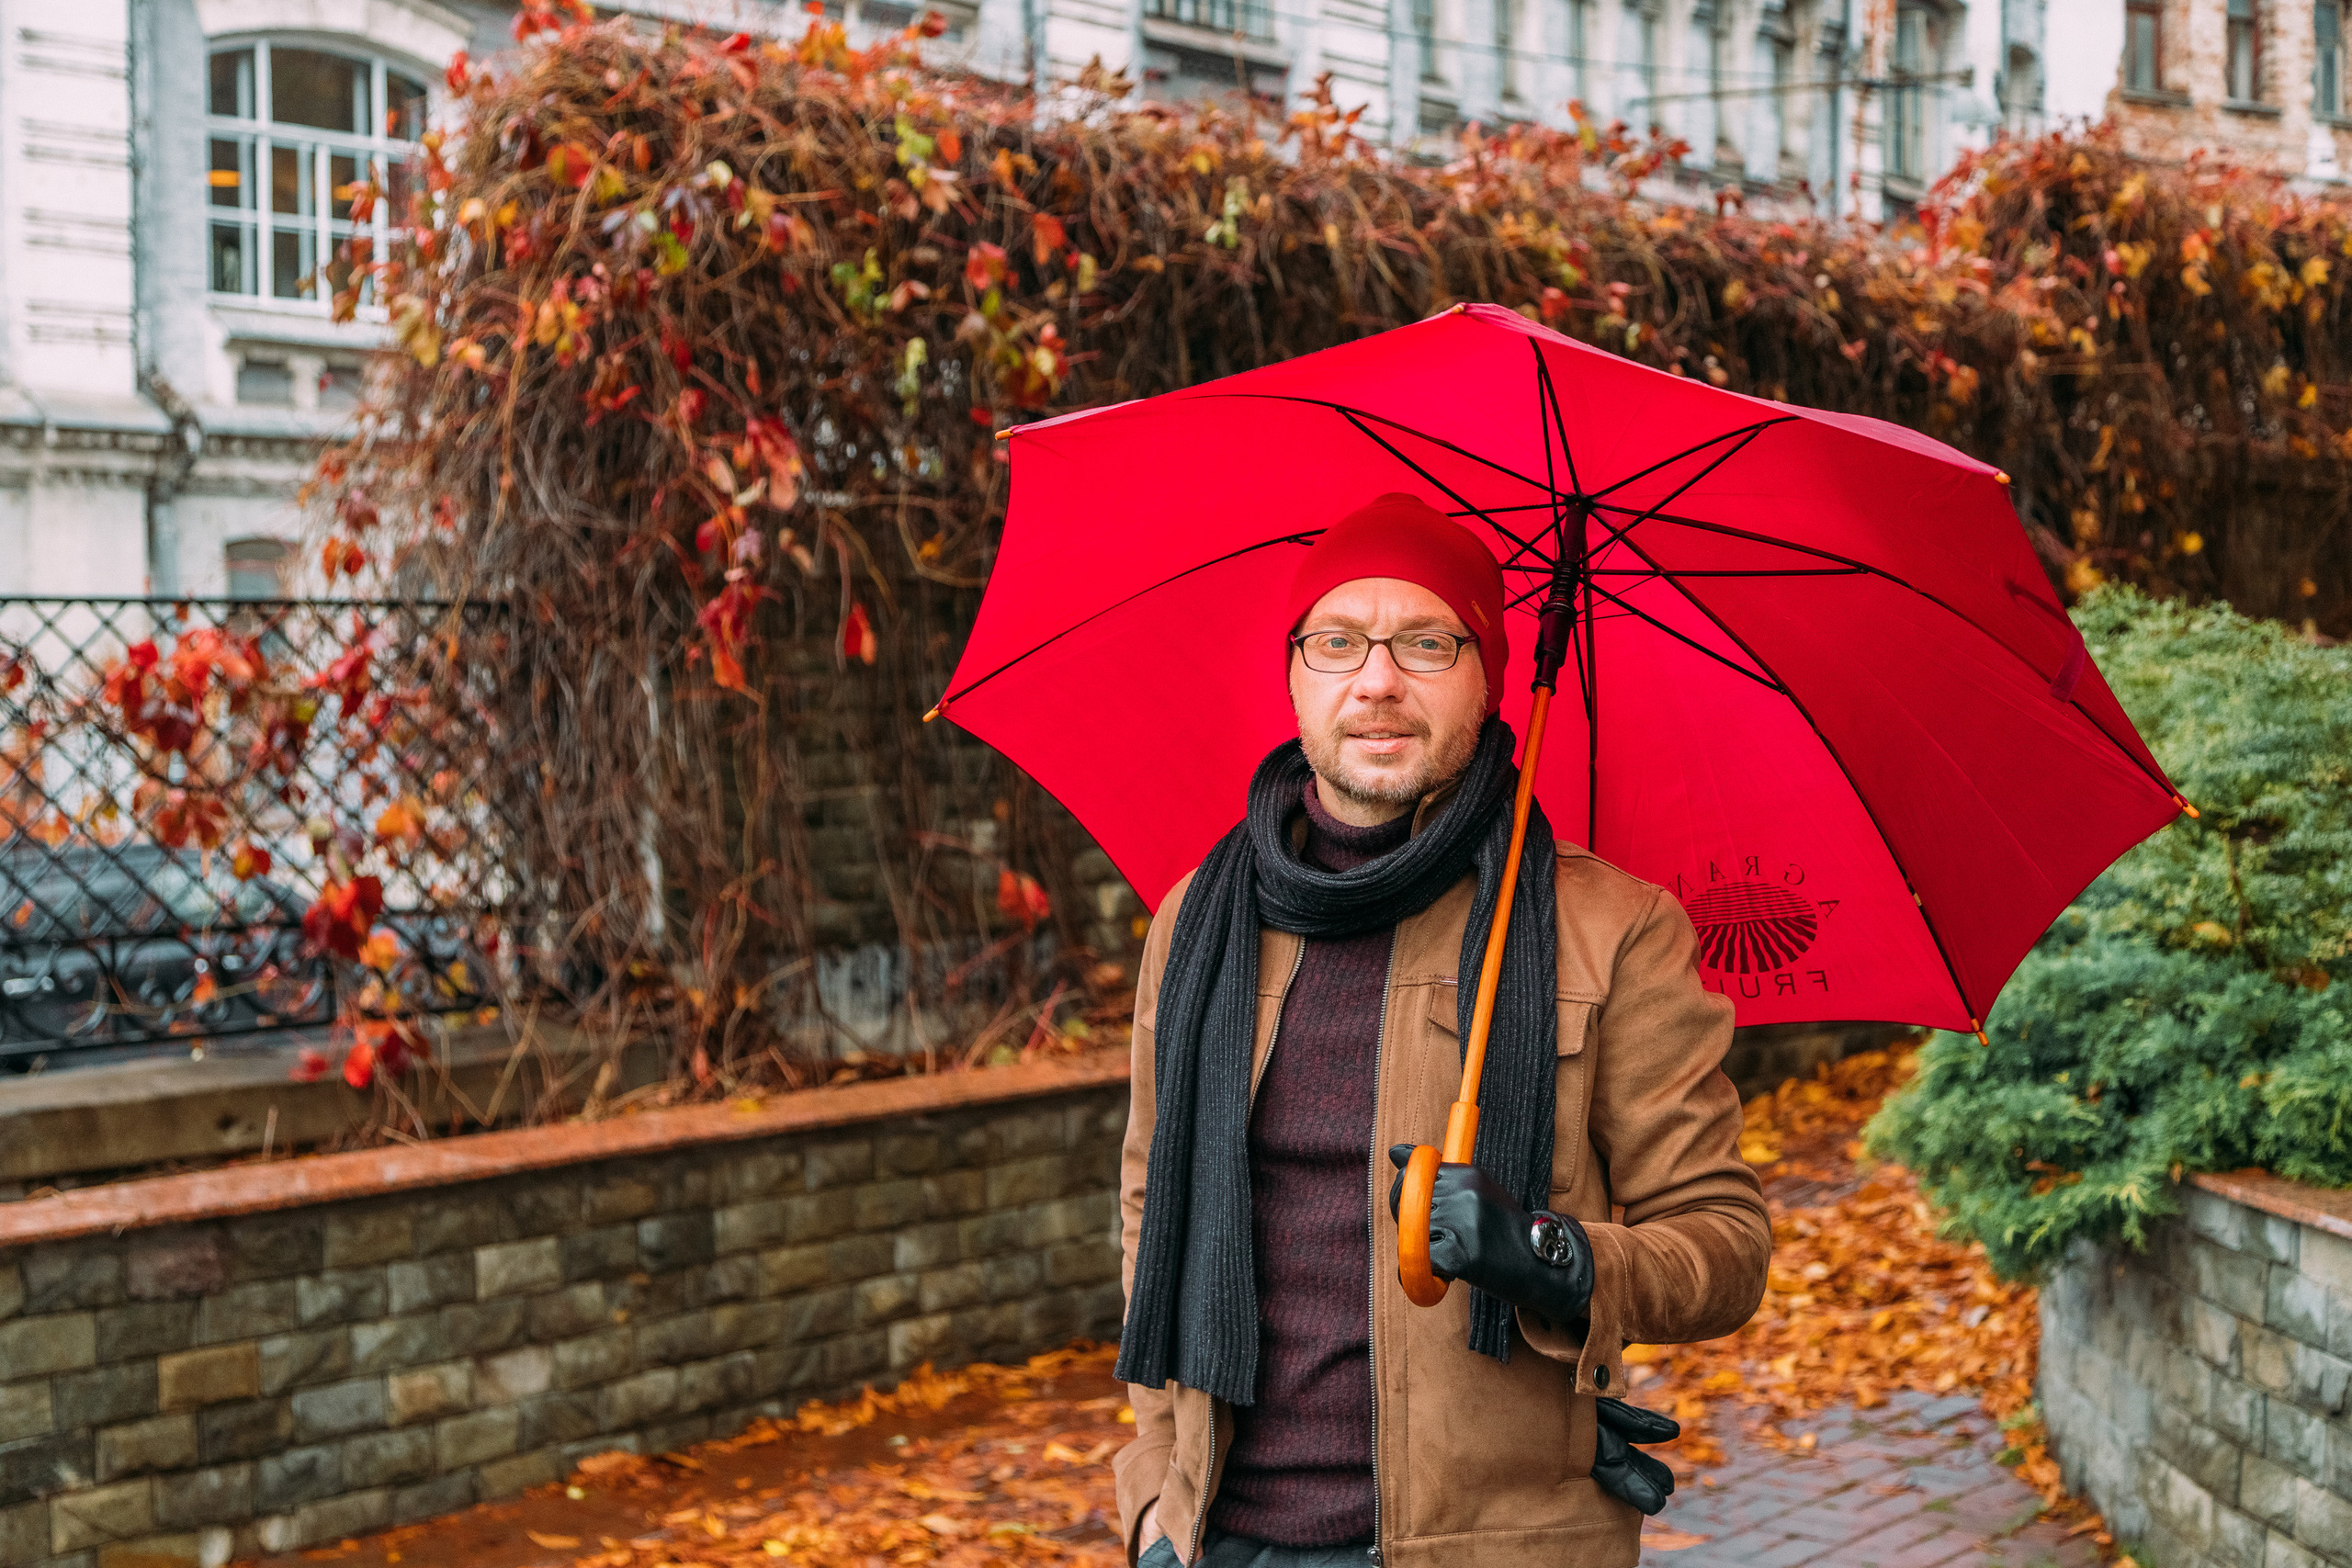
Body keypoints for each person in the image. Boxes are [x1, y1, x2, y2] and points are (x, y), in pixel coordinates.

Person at [1112, 493, 1772, 1568]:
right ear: (1294, 677)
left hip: (1489, 1545)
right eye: (1338, 642)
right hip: (1219, 1538)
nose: (1377, 679)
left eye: (1427, 641)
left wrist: (1553, 1257)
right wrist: (1153, 1497)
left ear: (1488, 677)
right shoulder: (1200, 919)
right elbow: (1153, 1209)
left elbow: (1724, 1244)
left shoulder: (1610, 930)